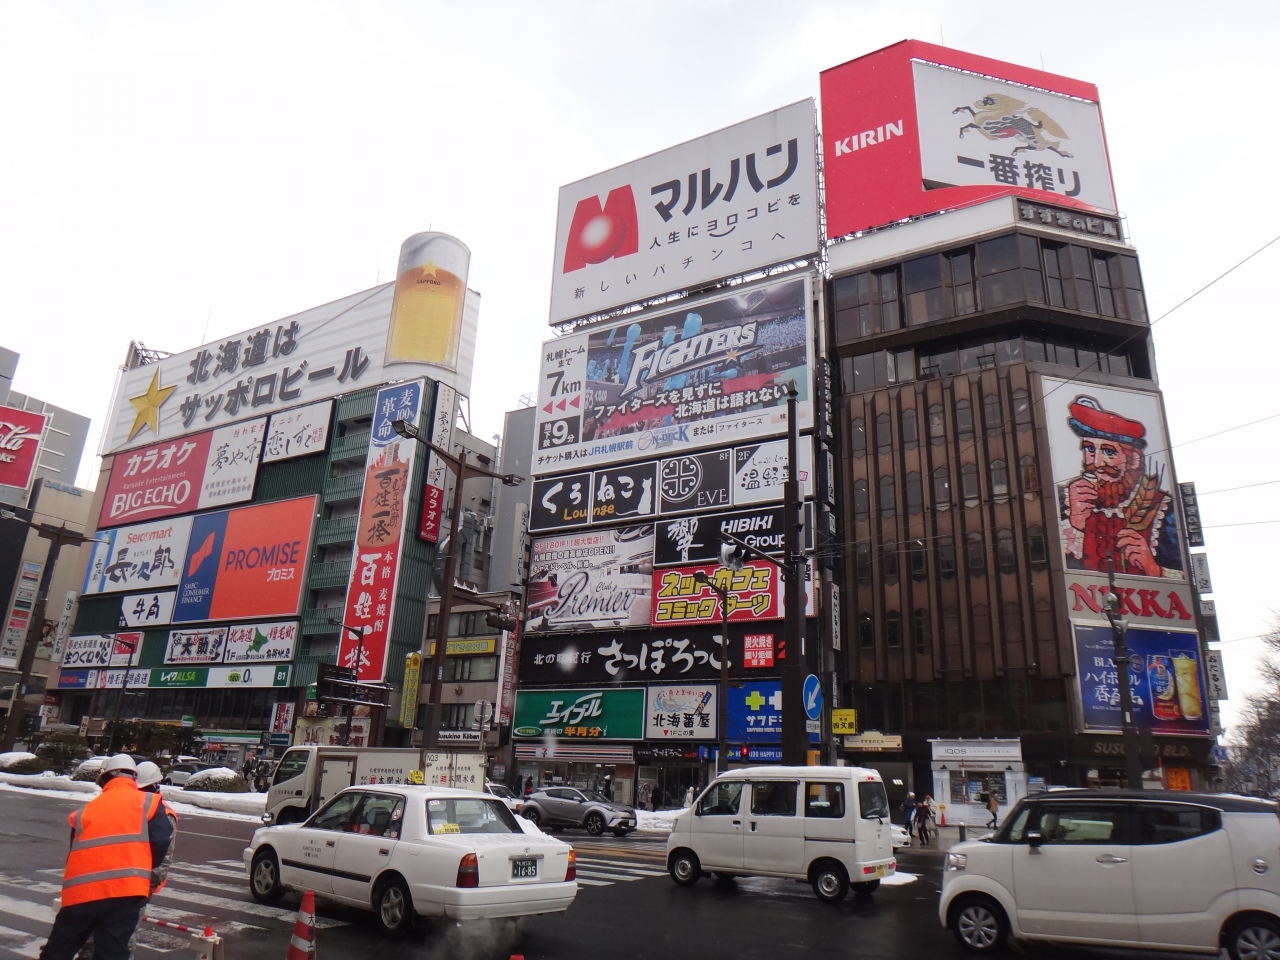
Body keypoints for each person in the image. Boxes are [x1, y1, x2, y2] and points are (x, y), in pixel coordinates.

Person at [40, 755, 174, 960]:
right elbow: (162, 840)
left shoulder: (85, 810)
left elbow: (75, 849)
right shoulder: (150, 804)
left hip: (81, 893)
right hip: (125, 892)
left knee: (58, 951)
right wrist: (141, 867)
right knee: (112, 952)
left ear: (104, 779)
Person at [1059, 395, 1182, 577]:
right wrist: (1075, 525)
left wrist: (1154, 568)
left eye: (1109, 452)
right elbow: (1047, 564)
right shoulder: (1064, 502)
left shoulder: (1163, 509)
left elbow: (1187, 577)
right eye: (1090, 449)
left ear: (1133, 460)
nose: (1097, 462)